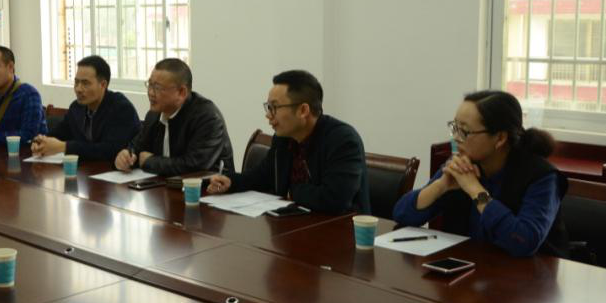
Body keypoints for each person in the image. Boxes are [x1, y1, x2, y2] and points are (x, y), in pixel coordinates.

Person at [393, 90, 569, 257]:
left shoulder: (541, 177)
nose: (455, 138)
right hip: (470, 267)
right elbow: (401, 214)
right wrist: (440, 186)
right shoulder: (463, 164)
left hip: (527, 274)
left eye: (464, 131)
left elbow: (523, 241)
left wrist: (475, 190)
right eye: (454, 127)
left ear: (500, 138)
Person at [206, 70, 369, 213]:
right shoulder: (283, 138)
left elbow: (335, 199)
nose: (268, 115)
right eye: (268, 107)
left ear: (303, 110)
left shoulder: (343, 140)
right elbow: (263, 175)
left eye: (274, 107)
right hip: (295, 225)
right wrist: (231, 182)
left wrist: (292, 191)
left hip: (340, 230)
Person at [114, 58, 233, 176]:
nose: (150, 93)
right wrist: (126, 157)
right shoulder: (153, 115)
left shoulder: (207, 118)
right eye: (150, 85)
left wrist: (150, 162)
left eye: (157, 88)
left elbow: (194, 166)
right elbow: (137, 148)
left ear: (182, 92)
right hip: (163, 185)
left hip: (209, 186)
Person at [31, 55, 140, 161]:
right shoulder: (76, 108)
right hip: (84, 171)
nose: (78, 89)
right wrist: (40, 142)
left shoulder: (121, 108)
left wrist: (65, 147)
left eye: (85, 83)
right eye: (76, 82)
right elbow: (58, 134)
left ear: (103, 85)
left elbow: (110, 150)